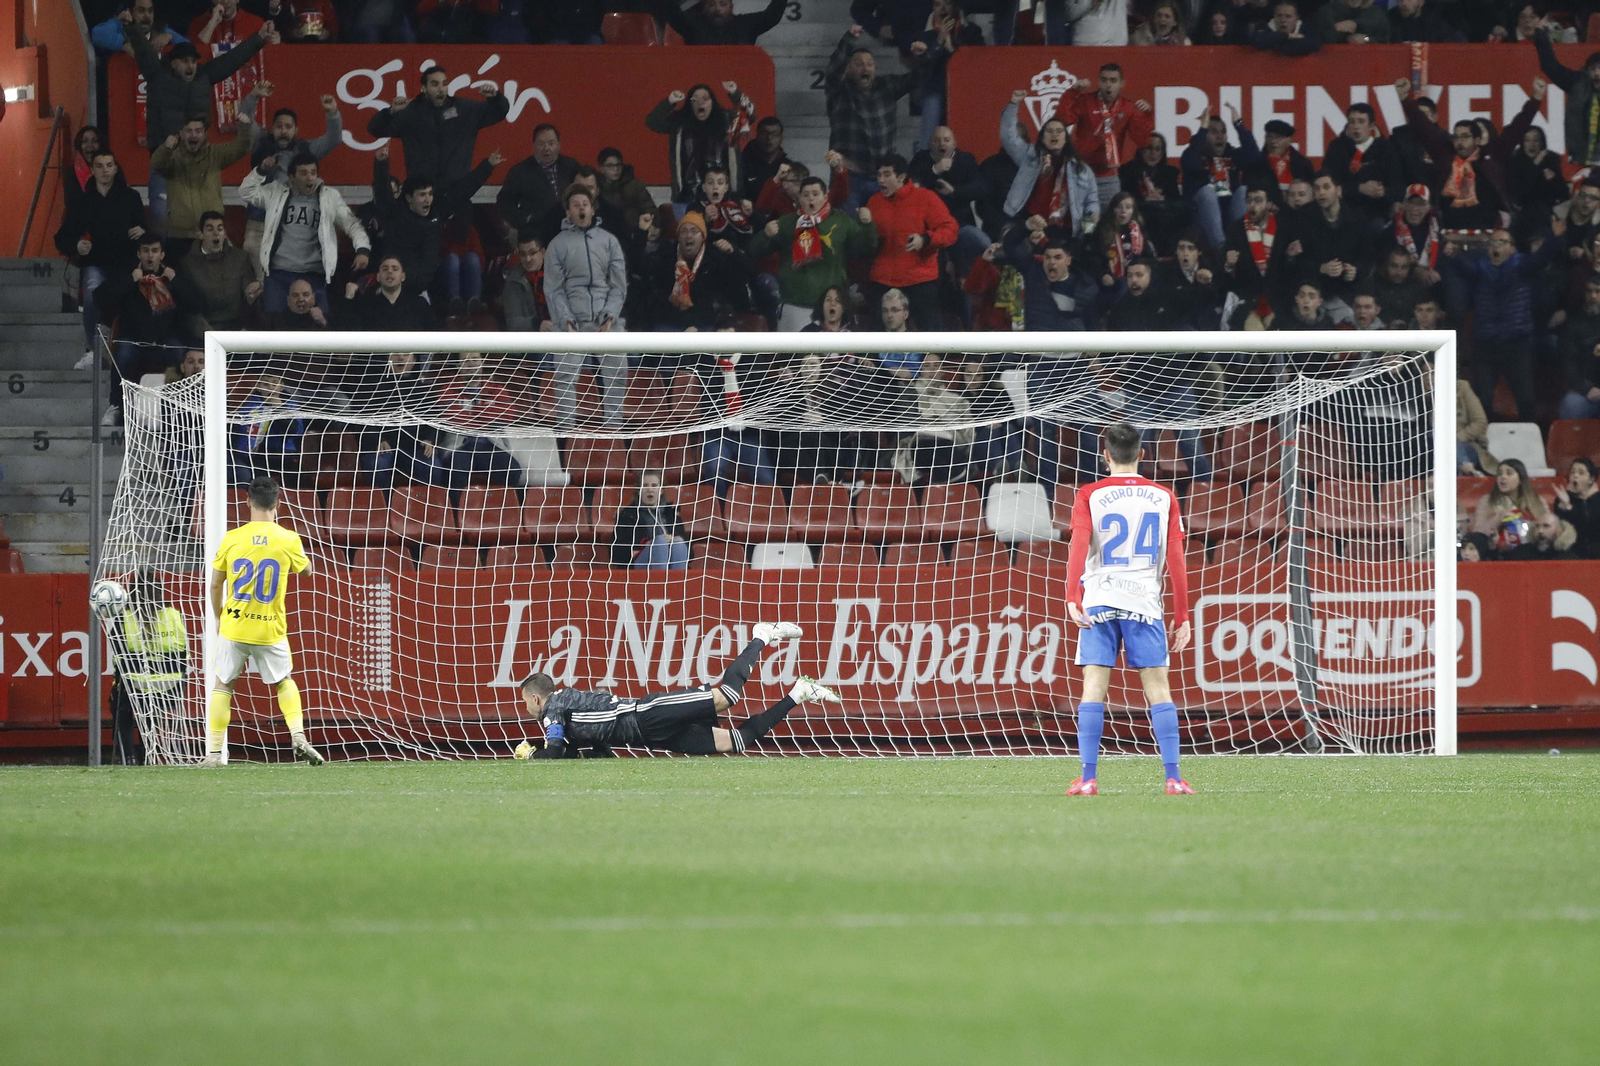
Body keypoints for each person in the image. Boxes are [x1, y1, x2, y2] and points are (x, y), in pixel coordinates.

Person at [1063, 422, 1194, 796]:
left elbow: (1079, 544)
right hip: (1143, 602)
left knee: (1093, 687)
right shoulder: (1164, 496)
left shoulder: (1090, 493)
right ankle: (1173, 777)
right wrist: (1182, 615)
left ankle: (1088, 778)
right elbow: (1176, 559)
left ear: (1105, 456)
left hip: (1100, 600)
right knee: (1157, 688)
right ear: (1142, 454)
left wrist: (1073, 594)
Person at [514, 623, 840, 758]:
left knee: (727, 696)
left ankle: (761, 636)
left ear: (536, 698)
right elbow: (598, 753)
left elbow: (554, 752)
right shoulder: (572, 715)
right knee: (736, 743)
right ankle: (798, 694)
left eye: (526, 702)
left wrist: (530, 754)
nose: (527, 709)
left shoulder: (554, 705)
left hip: (647, 714)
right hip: (653, 737)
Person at [205, 476, 322, 766]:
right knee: (283, 681)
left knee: (223, 685)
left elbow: (215, 585)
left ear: (247, 502)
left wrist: (220, 617)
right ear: (278, 504)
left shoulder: (233, 538)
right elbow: (307, 572)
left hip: (235, 624)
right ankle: (297, 734)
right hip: (270, 627)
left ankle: (213, 754)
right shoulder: (288, 538)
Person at [1444, 222, 1565, 421]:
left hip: (1516, 345)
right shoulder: (1479, 270)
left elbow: (1541, 259)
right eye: (1493, 242)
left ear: (1512, 248)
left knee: (1525, 399)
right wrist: (1453, 255)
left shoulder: (1523, 267)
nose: (1496, 246)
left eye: (1502, 241)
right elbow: (1463, 267)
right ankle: (1483, 443)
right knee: (1482, 399)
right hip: (1486, 346)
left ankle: (1530, 442)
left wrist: (1553, 237)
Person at [240, 151, 371, 313]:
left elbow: (352, 224)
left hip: (315, 274)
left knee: (319, 326)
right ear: (291, 177)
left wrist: (362, 249)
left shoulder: (329, 197)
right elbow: (246, 192)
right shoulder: (275, 192)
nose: (310, 178)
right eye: (303, 173)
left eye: (313, 173)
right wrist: (261, 171)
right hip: (278, 274)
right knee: (275, 327)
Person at [370, 146, 498, 309]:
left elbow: (463, 191)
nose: (427, 200)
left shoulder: (437, 213)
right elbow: (382, 193)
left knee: (463, 260)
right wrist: (381, 163)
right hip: (400, 286)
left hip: (428, 286)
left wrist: (487, 166)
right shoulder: (396, 215)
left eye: (430, 194)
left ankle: (467, 307)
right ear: (409, 197)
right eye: (422, 195)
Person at [96, 235, 206, 423]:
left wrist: (177, 281)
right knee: (122, 355)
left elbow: (199, 304)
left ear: (162, 255)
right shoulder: (127, 273)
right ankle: (117, 406)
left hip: (166, 340)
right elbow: (99, 298)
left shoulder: (173, 275)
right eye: (146, 251)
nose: (150, 256)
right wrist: (129, 281)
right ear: (138, 254)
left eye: (154, 251)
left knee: (182, 355)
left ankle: (183, 409)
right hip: (134, 339)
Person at [545, 185, 629, 427]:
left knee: (617, 371)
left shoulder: (610, 241)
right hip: (571, 322)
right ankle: (567, 431)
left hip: (606, 321)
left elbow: (619, 286)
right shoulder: (557, 245)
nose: (581, 208)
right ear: (568, 212)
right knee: (564, 375)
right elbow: (553, 289)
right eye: (575, 204)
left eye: (585, 203)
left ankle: (613, 431)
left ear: (592, 209)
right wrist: (566, 321)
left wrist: (610, 316)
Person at [55, 149, 147, 367]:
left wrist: (142, 231)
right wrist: (76, 244)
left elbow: (145, 230)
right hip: (96, 262)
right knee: (91, 296)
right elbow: (61, 237)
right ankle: (92, 349)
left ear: (115, 168)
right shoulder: (82, 202)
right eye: (99, 166)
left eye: (109, 165)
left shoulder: (131, 197)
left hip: (126, 263)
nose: (105, 170)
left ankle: (125, 346)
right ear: (92, 171)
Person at [750, 177, 878, 331]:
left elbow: (865, 249)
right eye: (806, 195)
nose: (811, 198)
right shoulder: (787, 223)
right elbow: (755, 251)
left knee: (831, 355)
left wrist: (867, 226)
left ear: (825, 197)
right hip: (794, 305)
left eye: (815, 194)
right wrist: (765, 234)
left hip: (832, 308)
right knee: (793, 355)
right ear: (799, 199)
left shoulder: (842, 221)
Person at [237, 81, 344, 261]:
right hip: (260, 225)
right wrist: (253, 96)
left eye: (288, 127)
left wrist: (332, 113)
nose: (283, 131)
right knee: (259, 281)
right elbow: (244, 118)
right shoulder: (260, 142)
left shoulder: (306, 149)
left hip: (295, 226)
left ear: (296, 130)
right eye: (279, 127)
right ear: (272, 129)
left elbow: (334, 139)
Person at [364, 65, 508, 189]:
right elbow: (375, 129)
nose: (441, 89)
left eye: (444, 84)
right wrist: (391, 112)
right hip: (420, 193)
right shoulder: (410, 113)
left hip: (458, 192)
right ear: (423, 88)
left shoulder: (464, 110)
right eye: (435, 84)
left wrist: (495, 97)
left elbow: (499, 112)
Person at [826, 27, 922, 205]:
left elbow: (919, 77)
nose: (865, 67)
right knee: (848, 227)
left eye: (870, 64)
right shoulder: (839, 90)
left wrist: (921, 57)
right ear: (848, 69)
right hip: (849, 175)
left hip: (882, 176)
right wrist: (848, 39)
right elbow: (833, 69)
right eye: (859, 63)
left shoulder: (887, 85)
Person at [865, 153, 957, 331]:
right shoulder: (873, 202)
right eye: (879, 175)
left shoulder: (926, 198)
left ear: (901, 177)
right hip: (883, 279)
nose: (881, 180)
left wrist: (925, 239)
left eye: (886, 174)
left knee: (932, 341)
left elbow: (950, 230)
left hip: (919, 280)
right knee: (874, 345)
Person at [150, 115, 254, 256]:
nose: (194, 135)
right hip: (180, 236)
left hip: (211, 235)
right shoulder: (173, 157)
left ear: (205, 134)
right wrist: (165, 149)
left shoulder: (215, 154)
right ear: (180, 133)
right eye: (188, 131)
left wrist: (245, 127)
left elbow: (242, 147)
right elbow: (156, 164)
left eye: (198, 131)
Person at [1000, 90, 1098, 238]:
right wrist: (1013, 104)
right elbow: (1008, 136)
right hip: (1031, 225)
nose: (1054, 135)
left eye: (1059, 131)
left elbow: (1092, 200)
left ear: (1066, 139)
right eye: (1049, 131)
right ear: (1042, 137)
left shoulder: (1081, 169)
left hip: (1066, 230)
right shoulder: (1030, 157)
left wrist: (1088, 229)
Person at [645, 82, 756, 206]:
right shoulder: (679, 123)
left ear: (712, 102)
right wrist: (670, 101)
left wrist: (735, 93)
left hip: (723, 195)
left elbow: (749, 115)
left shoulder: (727, 119)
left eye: (705, 99)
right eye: (695, 99)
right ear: (690, 104)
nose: (700, 103)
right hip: (688, 195)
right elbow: (652, 121)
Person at [1062, 64, 1154, 212]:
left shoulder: (1128, 107)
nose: (1108, 85)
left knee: (1110, 219)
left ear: (1122, 84)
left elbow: (1142, 140)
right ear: (1098, 82)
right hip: (1082, 173)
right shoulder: (1085, 101)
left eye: (1113, 80)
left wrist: (1147, 116)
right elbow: (1062, 120)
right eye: (1104, 80)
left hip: (1108, 176)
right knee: (1085, 221)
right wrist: (1072, 92)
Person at [644, 210, 753, 332]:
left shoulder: (716, 258)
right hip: (674, 322)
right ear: (678, 237)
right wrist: (687, 325)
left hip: (708, 322)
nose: (689, 236)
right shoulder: (666, 258)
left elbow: (731, 290)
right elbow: (661, 299)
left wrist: (734, 253)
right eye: (684, 231)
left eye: (694, 231)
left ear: (703, 236)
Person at [1181, 105, 1261, 250]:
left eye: (1223, 132)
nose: (1220, 136)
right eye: (1213, 132)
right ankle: (1221, 249)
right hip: (1200, 222)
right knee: (1207, 192)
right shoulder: (1193, 154)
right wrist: (1202, 131)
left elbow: (1254, 158)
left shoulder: (1233, 154)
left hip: (1229, 218)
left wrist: (1240, 126)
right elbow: (1190, 164)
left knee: (1243, 190)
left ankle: (1242, 245)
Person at [1322, 103, 1403, 229]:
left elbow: (1398, 185)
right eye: (1352, 122)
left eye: (1361, 121)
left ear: (1371, 125)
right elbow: (1329, 184)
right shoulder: (1337, 148)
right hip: (1344, 213)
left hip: (1377, 213)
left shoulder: (1386, 149)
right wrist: (1358, 189)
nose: (1356, 126)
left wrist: (1383, 192)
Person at [1533, 21, 1600, 168]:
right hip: (1579, 163)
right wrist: (1541, 37)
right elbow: (1550, 67)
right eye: (1593, 69)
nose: (1597, 74)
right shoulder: (1576, 82)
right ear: (1587, 71)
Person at [498, 124, 581, 241]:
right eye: (541, 144)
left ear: (559, 144)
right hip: (536, 234)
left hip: (570, 231)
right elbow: (504, 202)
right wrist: (524, 219)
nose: (546, 148)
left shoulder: (571, 166)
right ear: (534, 145)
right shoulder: (520, 171)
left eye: (551, 143)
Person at [182, 210, 261, 331]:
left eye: (220, 229)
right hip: (204, 329)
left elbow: (248, 294)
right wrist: (208, 334)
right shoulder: (188, 264)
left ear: (224, 233)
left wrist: (252, 293)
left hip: (236, 327)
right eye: (210, 229)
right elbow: (189, 309)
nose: (216, 233)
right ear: (200, 234)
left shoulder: (240, 258)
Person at [610, 469, 691, 569]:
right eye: (645, 485)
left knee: (679, 544)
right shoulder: (627, 515)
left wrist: (676, 539)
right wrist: (648, 543)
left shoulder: (672, 515)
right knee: (660, 542)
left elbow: (690, 554)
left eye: (654, 485)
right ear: (639, 490)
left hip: (671, 559)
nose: (650, 489)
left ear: (661, 490)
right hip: (638, 564)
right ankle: (659, 583)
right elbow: (618, 552)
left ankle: (678, 583)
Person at [340, 255, 437, 332]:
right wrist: (348, 298)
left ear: (403, 276)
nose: (390, 271)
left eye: (395, 269)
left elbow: (434, 335)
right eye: (385, 269)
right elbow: (348, 331)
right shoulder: (366, 305)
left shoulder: (418, 304)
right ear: (377, 277)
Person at [1471, 458, 1549, 548]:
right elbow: (1476, 535)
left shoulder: (1537, 500)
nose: (1503, 477)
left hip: (1533, 550)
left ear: (1520, 479)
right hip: (1498, 554)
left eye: (1509, 473)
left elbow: (1550, 529)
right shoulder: (1487, 501)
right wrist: (1499, 518)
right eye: (1500, 474)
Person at [657, 0, 787, 44]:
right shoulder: (692, 25)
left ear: (731, 7)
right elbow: (671, 12)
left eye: (723, 4)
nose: (717, 9)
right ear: (704, 7)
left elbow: (772, 16)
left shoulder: (745, 25)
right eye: (712, 4)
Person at [597, 147, 658, 232]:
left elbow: (650, 209)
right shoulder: (597, 187)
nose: (616, 169)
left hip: (634, 231)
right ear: (601, 169)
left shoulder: (635, 186)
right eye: (610, 166)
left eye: (618, 165)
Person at [502, 233, 552, 332]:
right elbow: (512, 322)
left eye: (532, 252)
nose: (527, 259)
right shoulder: (513, 281)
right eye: (523, 254)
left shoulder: (560, 275)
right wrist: (537, 324)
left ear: (543, 252)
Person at [1554, 457, 1600, 557]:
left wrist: (1570, 507)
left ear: (1591, 479)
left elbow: (1591, 528)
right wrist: (1566, 506)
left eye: (1581, 473)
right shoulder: (1562, 499)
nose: (1575, 475)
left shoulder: (1597, 501)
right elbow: (1563, 529)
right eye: (1572, 472)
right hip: (1572, 551)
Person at [1251, 0, 1322, 53]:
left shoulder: (1307, 28)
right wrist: (1287, 35)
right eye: (1279, 16)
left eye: (1288, 16)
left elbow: (1314, 45)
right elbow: (1259, 41)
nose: (1283, 20)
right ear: (1274, 16)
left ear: (1296, 19)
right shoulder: (1264, 27)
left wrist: (1276, 42)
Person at [1316, 0, 1389, 42]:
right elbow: (1322, 40)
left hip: (1370, 62)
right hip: (1336, 61)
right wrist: (1336, 30)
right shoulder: (1326, 11)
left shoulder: (1376, 13)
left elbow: (1385, 41)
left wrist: (1366, 39)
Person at [1389, 0, 1464, 41]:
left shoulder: (1435, 23)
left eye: (1409, 0)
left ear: (1421, 2)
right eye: (1400, 0)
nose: (1404, 3)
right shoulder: (1389, 19)